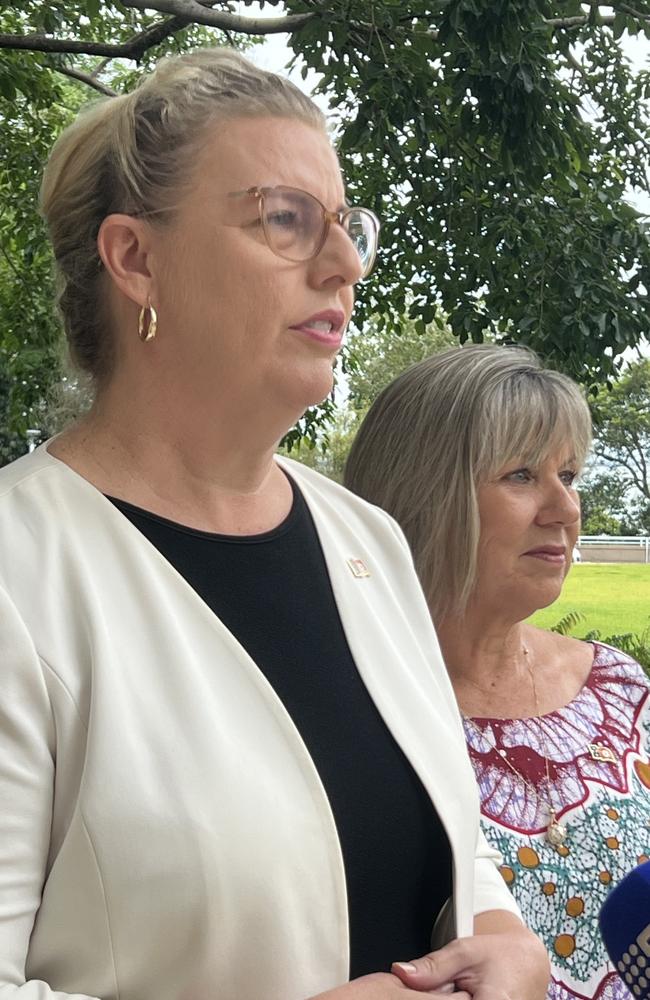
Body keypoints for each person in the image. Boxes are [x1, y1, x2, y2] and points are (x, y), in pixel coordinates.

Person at [0, 49, 549, 1000]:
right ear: (136, 258)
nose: (342, 266)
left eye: (346, 227)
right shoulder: (21, 568)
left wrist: (505, 938)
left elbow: (442, 840)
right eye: (284, 221)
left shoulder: (367, 542)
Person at [344, 343, 650, 1000]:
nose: (565, 510)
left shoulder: (623, 693)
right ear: (421, 494)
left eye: (569, 476)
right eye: (521, 476)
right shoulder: (349, 720)